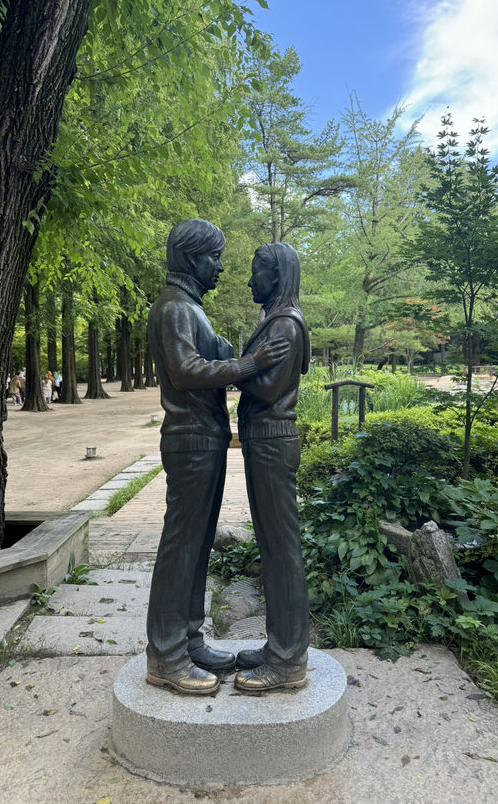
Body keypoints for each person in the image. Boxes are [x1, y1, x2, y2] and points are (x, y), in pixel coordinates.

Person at [145, 219, 289, 696]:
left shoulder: (189, 309)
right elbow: (185, 372)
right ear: (191, 259)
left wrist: (222, 351)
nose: (222, 268)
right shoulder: (174, 308)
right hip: (189, 441)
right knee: (181, 546)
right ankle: (165, 656)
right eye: (214, 257)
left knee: (198, 544)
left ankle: (187, 640)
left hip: (203, 439)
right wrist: (248, 363)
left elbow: (198, 361)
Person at [233, 242, 311, 693]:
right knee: (272, 546)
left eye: (256, 271)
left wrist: (231, 367)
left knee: (282, 551)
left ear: (276, 276)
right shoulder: (275, 322)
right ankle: (278, 644)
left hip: (271, 443)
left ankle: (287, 660)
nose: (249, 280)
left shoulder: (285, 324)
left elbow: (265, 389)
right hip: (264, 442)